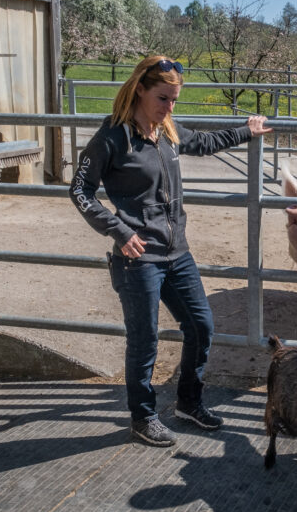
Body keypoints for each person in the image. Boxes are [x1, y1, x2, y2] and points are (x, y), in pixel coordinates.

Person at [70, 55, 272, 447]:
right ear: (140, 89)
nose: (170, 108)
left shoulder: (167, 130)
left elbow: (205, 142)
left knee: (201, 326)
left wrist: (246, 131)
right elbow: (79, 190)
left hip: (177, 252)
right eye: (163, 98)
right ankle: (143, 417)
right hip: (138, 258)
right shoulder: (112, 137)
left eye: (175, 100)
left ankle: (188, 402)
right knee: (144, 340)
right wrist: (118, 230)